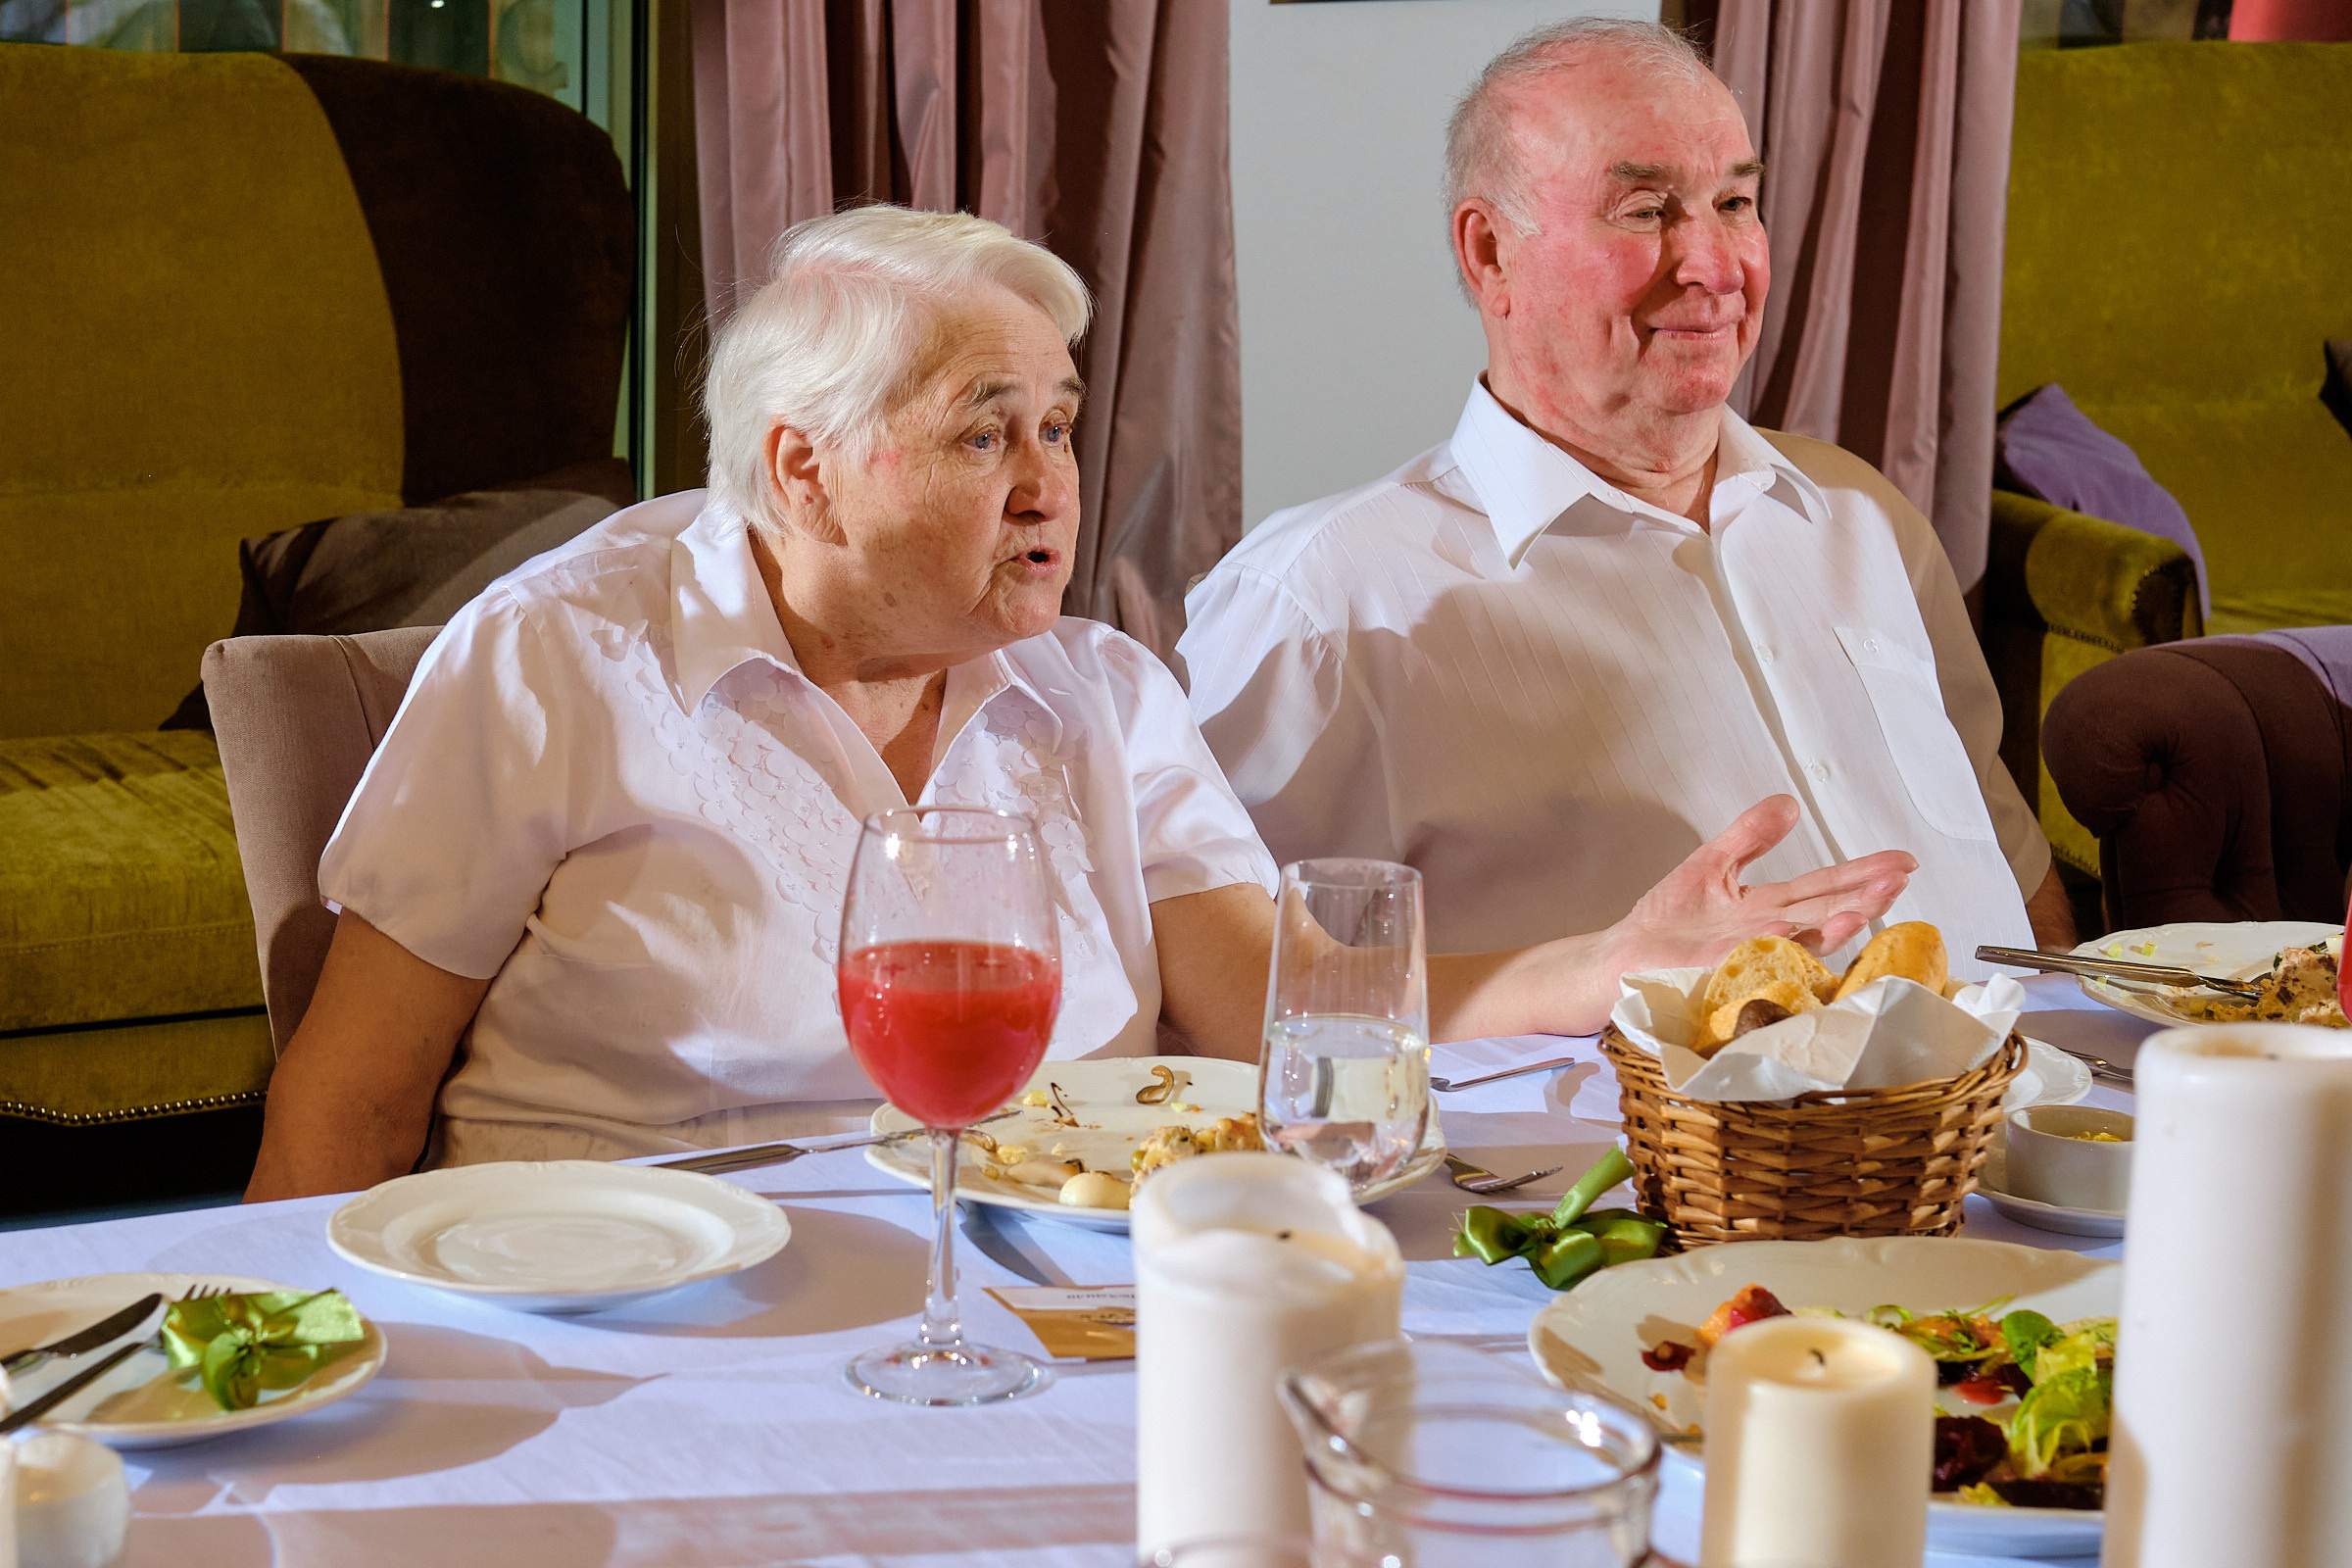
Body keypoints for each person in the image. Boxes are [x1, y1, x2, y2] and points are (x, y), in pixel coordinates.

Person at [243, 205, 1912, 1202]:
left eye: (1059, 422)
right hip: (622, 1295)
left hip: (1037, 1277)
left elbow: (1272, 1000)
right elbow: (356, 1095)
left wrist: (1600, 966)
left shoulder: (1098, 691)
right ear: (804, 471)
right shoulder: (562, 658)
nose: (1055, 482)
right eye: (988, 434)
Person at [1180, 19, 2072, 969]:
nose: (1715, 265)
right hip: (1655, 1124)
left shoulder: (1861, 515)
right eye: (1646, 210)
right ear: (1490, 255)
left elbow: (2012, 874)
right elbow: (1230, 1003)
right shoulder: (1320, 607)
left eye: (1735, 201)